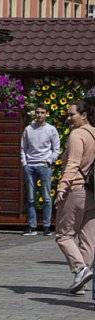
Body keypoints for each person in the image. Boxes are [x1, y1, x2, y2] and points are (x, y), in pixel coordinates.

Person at [53, 101, 95, 294]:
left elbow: (73, 163)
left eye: (72, 115)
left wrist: (62, 186)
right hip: (93, 192)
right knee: (87, 240)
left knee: (63, 235)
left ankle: (80, 270)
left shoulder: (77, 135)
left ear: (84, 115)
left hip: (76, 188)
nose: (69, 118)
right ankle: (82, 283)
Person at [20, 103, 60, 236]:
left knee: (47, 198)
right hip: (30, 166)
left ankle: (47, 226)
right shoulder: (28, 129)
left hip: (44, 166)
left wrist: (49, 162)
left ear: (46, 114)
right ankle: (32, 227)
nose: (40, 115)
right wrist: (25, 163)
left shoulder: (51, 130)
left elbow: (56, 149)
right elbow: (23, 148)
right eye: (37, 112)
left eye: (42, 112)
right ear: (34, 113)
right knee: (31, 198)